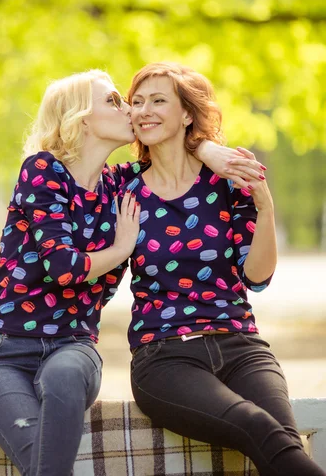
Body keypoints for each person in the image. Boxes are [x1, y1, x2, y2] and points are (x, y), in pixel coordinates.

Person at [0, 69, 267, 476]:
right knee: (39, 457)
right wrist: (116, 250)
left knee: (63, 387)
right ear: (82, 119)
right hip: (3, 345)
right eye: (118, 101)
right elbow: (62, 266)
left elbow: (173, 153)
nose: (132, 109)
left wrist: (207, 149)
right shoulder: (48, 169)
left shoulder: (121, 190)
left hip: (72, 343)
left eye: (129, 100)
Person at [123, 62, 326, 476]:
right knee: (256, 427)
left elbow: (256, 277)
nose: (144, 109)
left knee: (280, 438)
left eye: (159, 100)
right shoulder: (121, 187)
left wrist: (265, 206)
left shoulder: (225, 182)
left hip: (241, 344)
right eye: (137, 102)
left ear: (186, 114)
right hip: (163, 355)